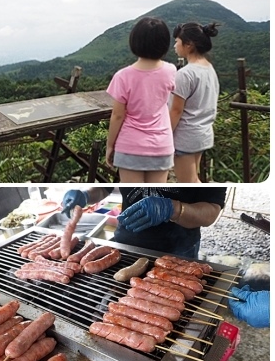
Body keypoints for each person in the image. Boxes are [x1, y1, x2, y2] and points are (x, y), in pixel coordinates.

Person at [105, 17, 177, 183]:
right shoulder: (170, 71)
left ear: (135, 41)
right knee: (155, 200)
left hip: (130, 145)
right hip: (161, 144)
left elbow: (117, 115)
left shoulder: (123, 76)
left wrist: (110, 146)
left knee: (133, 199)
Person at [62, 187, 227, 257]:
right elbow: (105, 188)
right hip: (124, 243)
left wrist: (174, 209)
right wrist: (86, 195)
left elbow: (210, 212)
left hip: (177, 250)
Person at [169, 22, 220, 183]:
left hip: (186, 136)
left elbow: (176, 110)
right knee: (193, 180)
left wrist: (165, 136)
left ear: (189, 44)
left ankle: (206, 207)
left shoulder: (185, 74)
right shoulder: (209, 68)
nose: (175, 46)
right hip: (202, 133)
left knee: (188, 183)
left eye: (177, 41)